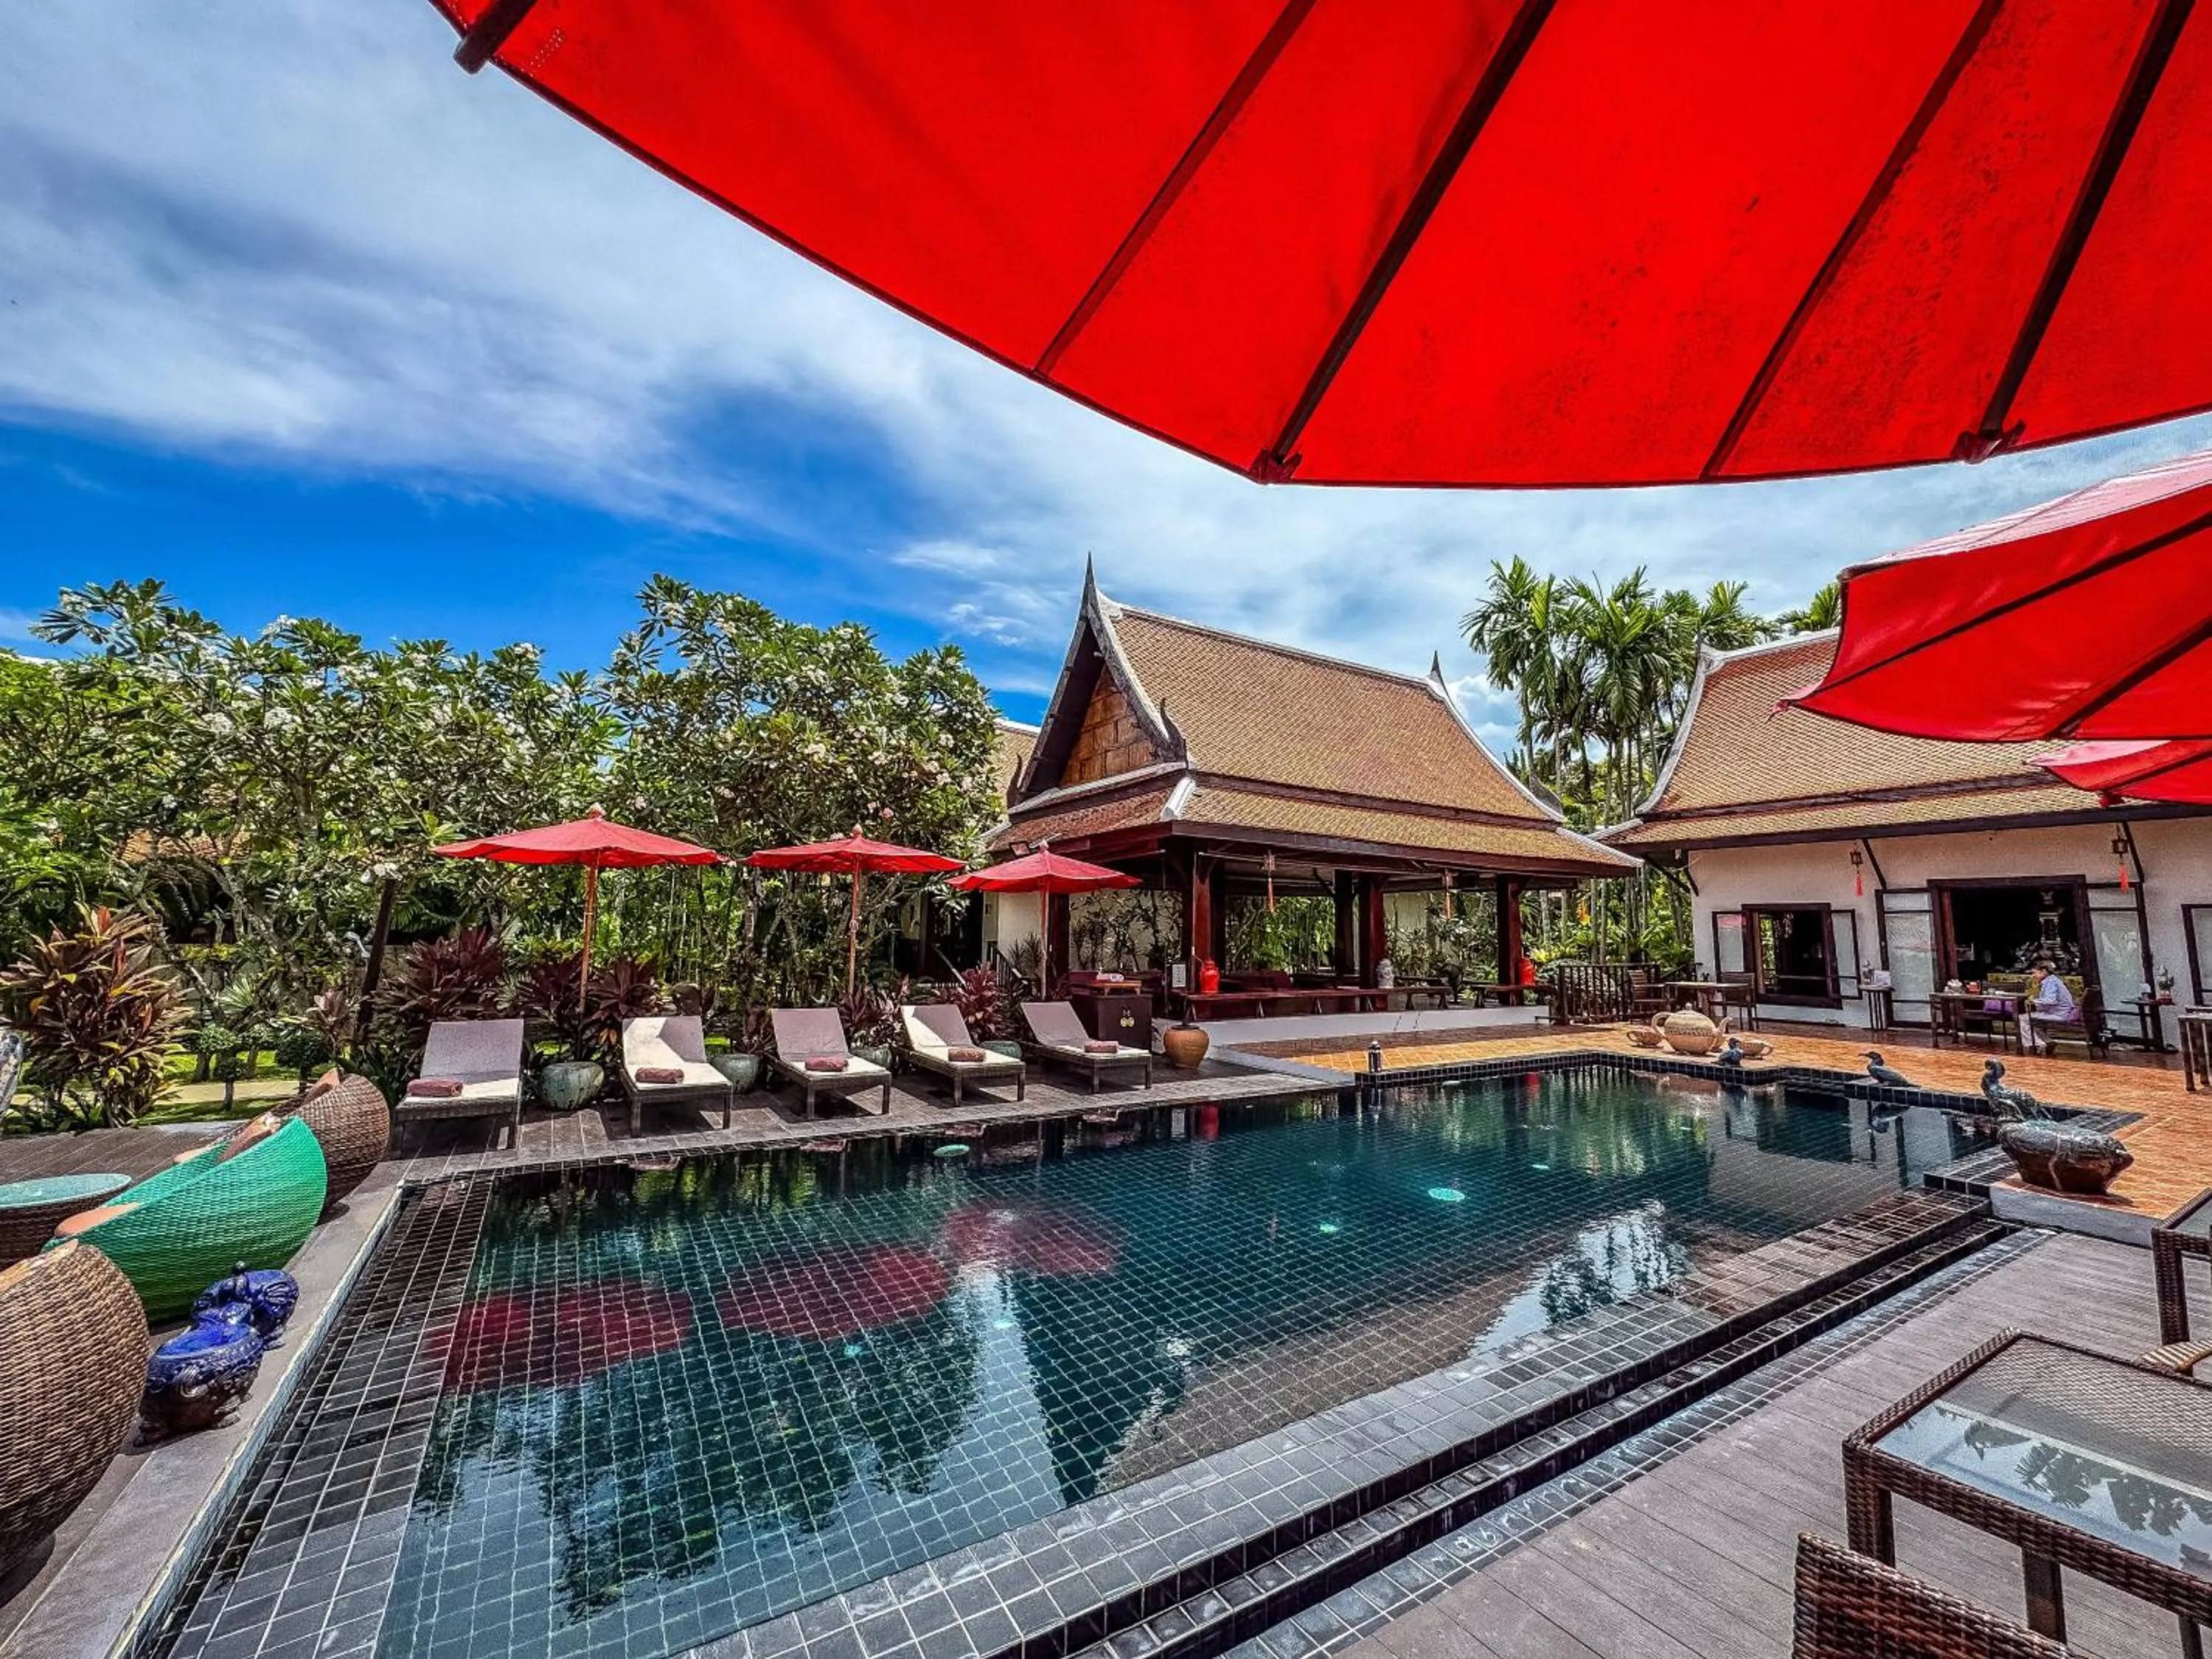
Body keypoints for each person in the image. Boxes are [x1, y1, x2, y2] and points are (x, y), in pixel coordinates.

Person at [2017, 959, 2076, 1054]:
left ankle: (2036, 1044)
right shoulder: (2052, 981)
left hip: (2058, 1014)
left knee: (2022, 1018)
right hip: (2059, 1012)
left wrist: (2033, 1001)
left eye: (2035, 973)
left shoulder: (2050, 983)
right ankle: (2047, 1042)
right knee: (2031, 1021)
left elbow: (2050, 1000)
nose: (2033, 976)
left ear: (2043, 972)